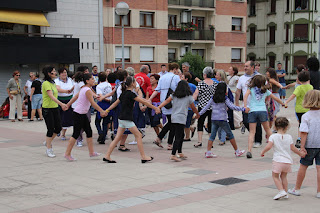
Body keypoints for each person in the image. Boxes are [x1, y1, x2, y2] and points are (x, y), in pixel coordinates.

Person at [103, 76, 160, 163]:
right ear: (132, 84)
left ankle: (107, 156)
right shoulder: (130, 94)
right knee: (138, 135)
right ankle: (143, 156)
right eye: (135, 82)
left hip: (121, 118)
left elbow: (115, 103)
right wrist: (155, 108)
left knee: (117, 138)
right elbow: (143, 101)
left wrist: (107, 110)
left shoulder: (124, 93)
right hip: (126, 119)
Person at [64, 73, 107, 161]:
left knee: (89, 132)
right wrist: (102, 111)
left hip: (82, 114)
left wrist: (67, 105)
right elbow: (93, 103)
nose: (93, 80)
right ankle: (67, 154)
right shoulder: (87, 90)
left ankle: (91, 152)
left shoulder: (86, 89)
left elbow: (76, 96)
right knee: (76, 134)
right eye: (92, 79)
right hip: (78, 114)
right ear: (87, 81)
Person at [260, 117, 305, 200]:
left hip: (278, 160)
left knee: (275, 176)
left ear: (275, 127)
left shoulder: (273, 137)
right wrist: (300, 154)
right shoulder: (289, 137)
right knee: (284, 177)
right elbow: (293, 148)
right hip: (287, 161)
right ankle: (286, 192)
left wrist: (263, 152)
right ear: (287, 127)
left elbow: (269, 146)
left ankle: (281, 191)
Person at [200, 82, 247, 158]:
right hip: (222, 119)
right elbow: (232, 106)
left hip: (214, 118)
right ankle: (237, 151)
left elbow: (206, 107)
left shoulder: (213, 98)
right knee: (230, 135)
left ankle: (208, 151)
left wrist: (199, 114)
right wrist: (243, 109)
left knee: (212, 135)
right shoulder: (225, 98)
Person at [288, 90, 320, 198]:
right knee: (319, 168)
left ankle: (297, 189)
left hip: (309, 146)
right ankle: (319, 192)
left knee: (303, 166)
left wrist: (302, 147)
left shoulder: (306, 116)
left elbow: (304, 133)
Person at [244, 75, 284, 158]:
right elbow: (275, 98)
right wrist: (283, 103)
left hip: (252, 111)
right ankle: (277, 149)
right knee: (268, 130)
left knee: (252, 132)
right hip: (262, 110)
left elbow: (245, 96)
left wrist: (245, 106)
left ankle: (249, 150)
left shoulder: (251, 89)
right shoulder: (265, 90)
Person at [159, 80, 200, 162]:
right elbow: (193, 107)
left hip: (174, 117)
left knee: (181, 135)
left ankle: (180, 152)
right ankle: (173, 154)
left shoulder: (174, 95)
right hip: (181, 118)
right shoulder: (188, 97)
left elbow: (167, 101)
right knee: (178, 137)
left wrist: (159, 107)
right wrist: (197, 114)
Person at [149, 63, 181, 149]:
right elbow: (180, 88)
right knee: (173, 122)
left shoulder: (162, 77)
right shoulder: (175, 77)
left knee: (171, 121)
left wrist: (150, 99)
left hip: (164, 102)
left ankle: (160, 138)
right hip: (173, 101)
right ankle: (168, 142)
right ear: (175, 69)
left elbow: (157, 90)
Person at [42, 66, 68, 158]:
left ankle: (47, 141)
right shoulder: (46, 83)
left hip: (55, 108)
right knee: (50, 128)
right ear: (49, 73)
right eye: (53, 71)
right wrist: (62, 104)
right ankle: (49, 149)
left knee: (58, 128)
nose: (55, 72)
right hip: (47, 109)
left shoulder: (53, 83)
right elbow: (51, 96)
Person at [235, 61, 263, 148]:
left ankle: (258, 140)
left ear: (252, 67)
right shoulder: (242, 78)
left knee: (257, 123)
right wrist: (236, 103)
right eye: (244, 66)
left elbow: (265, 88)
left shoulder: (259, 77)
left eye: (247, 66)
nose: (245, 68)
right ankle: (253, 134)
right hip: (245, 105)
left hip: (257, 105)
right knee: (246, 122)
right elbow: (238, 91)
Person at [285, 71, 313, 148]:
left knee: (301, 125)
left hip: (299, 110)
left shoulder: (299, 88)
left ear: (299, 80)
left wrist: (286, 102)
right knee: (308, 125)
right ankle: (307, 140)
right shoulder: (310, 87)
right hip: (308, 109)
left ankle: (300, 139)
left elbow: (293, 95)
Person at [193, 67, 217, 148]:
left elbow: (196, 95)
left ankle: (200, 141)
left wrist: (191, 102)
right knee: (210, 124)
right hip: (212, 107)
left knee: (200, 123)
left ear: (205, 75)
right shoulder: (215, 84)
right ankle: (211, 142)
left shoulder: (201, 84)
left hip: (202, 107)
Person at [72, 66, 89, 147]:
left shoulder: (78, 82)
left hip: (81, 106)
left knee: (86, 123)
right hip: (79, 106)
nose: (88, 73)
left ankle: (78, 137)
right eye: (86, 71)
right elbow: (87, 91)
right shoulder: (81, 83)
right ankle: (78, 138)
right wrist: (95, 95)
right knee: (80, 124)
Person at [55, 67, 74, 140]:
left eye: (65, 72)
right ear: (59, 74)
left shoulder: (70, 80)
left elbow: (74, 87)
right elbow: (58, 89)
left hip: (69, 100)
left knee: (66, 118)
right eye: (62, 73)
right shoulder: (56, 81)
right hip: (60, 100)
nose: (64, 74)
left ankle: (63, 134)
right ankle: (58, 129)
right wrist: (66, 91)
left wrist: (71, 91)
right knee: (59, 117)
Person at [95, 72, 112, 144]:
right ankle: (103, 137)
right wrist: (109, 100)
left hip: (102, 104)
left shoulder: (98, 86)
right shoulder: (109, 85)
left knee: (97, 121)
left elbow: (100, 96)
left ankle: (100, 132)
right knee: (106, 122)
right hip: (108, 104)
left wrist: (104, 98)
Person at [181, 72, 197, 141]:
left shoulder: (192, 86)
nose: (180, 78)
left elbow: (197, 94)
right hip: (184, 106)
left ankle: (187, 137)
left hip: (190, 106)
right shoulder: (181, 86)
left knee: (186, 121)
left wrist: (194, 102)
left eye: (182, 77)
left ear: (186, 79)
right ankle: (191, 129)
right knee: (184, 121)